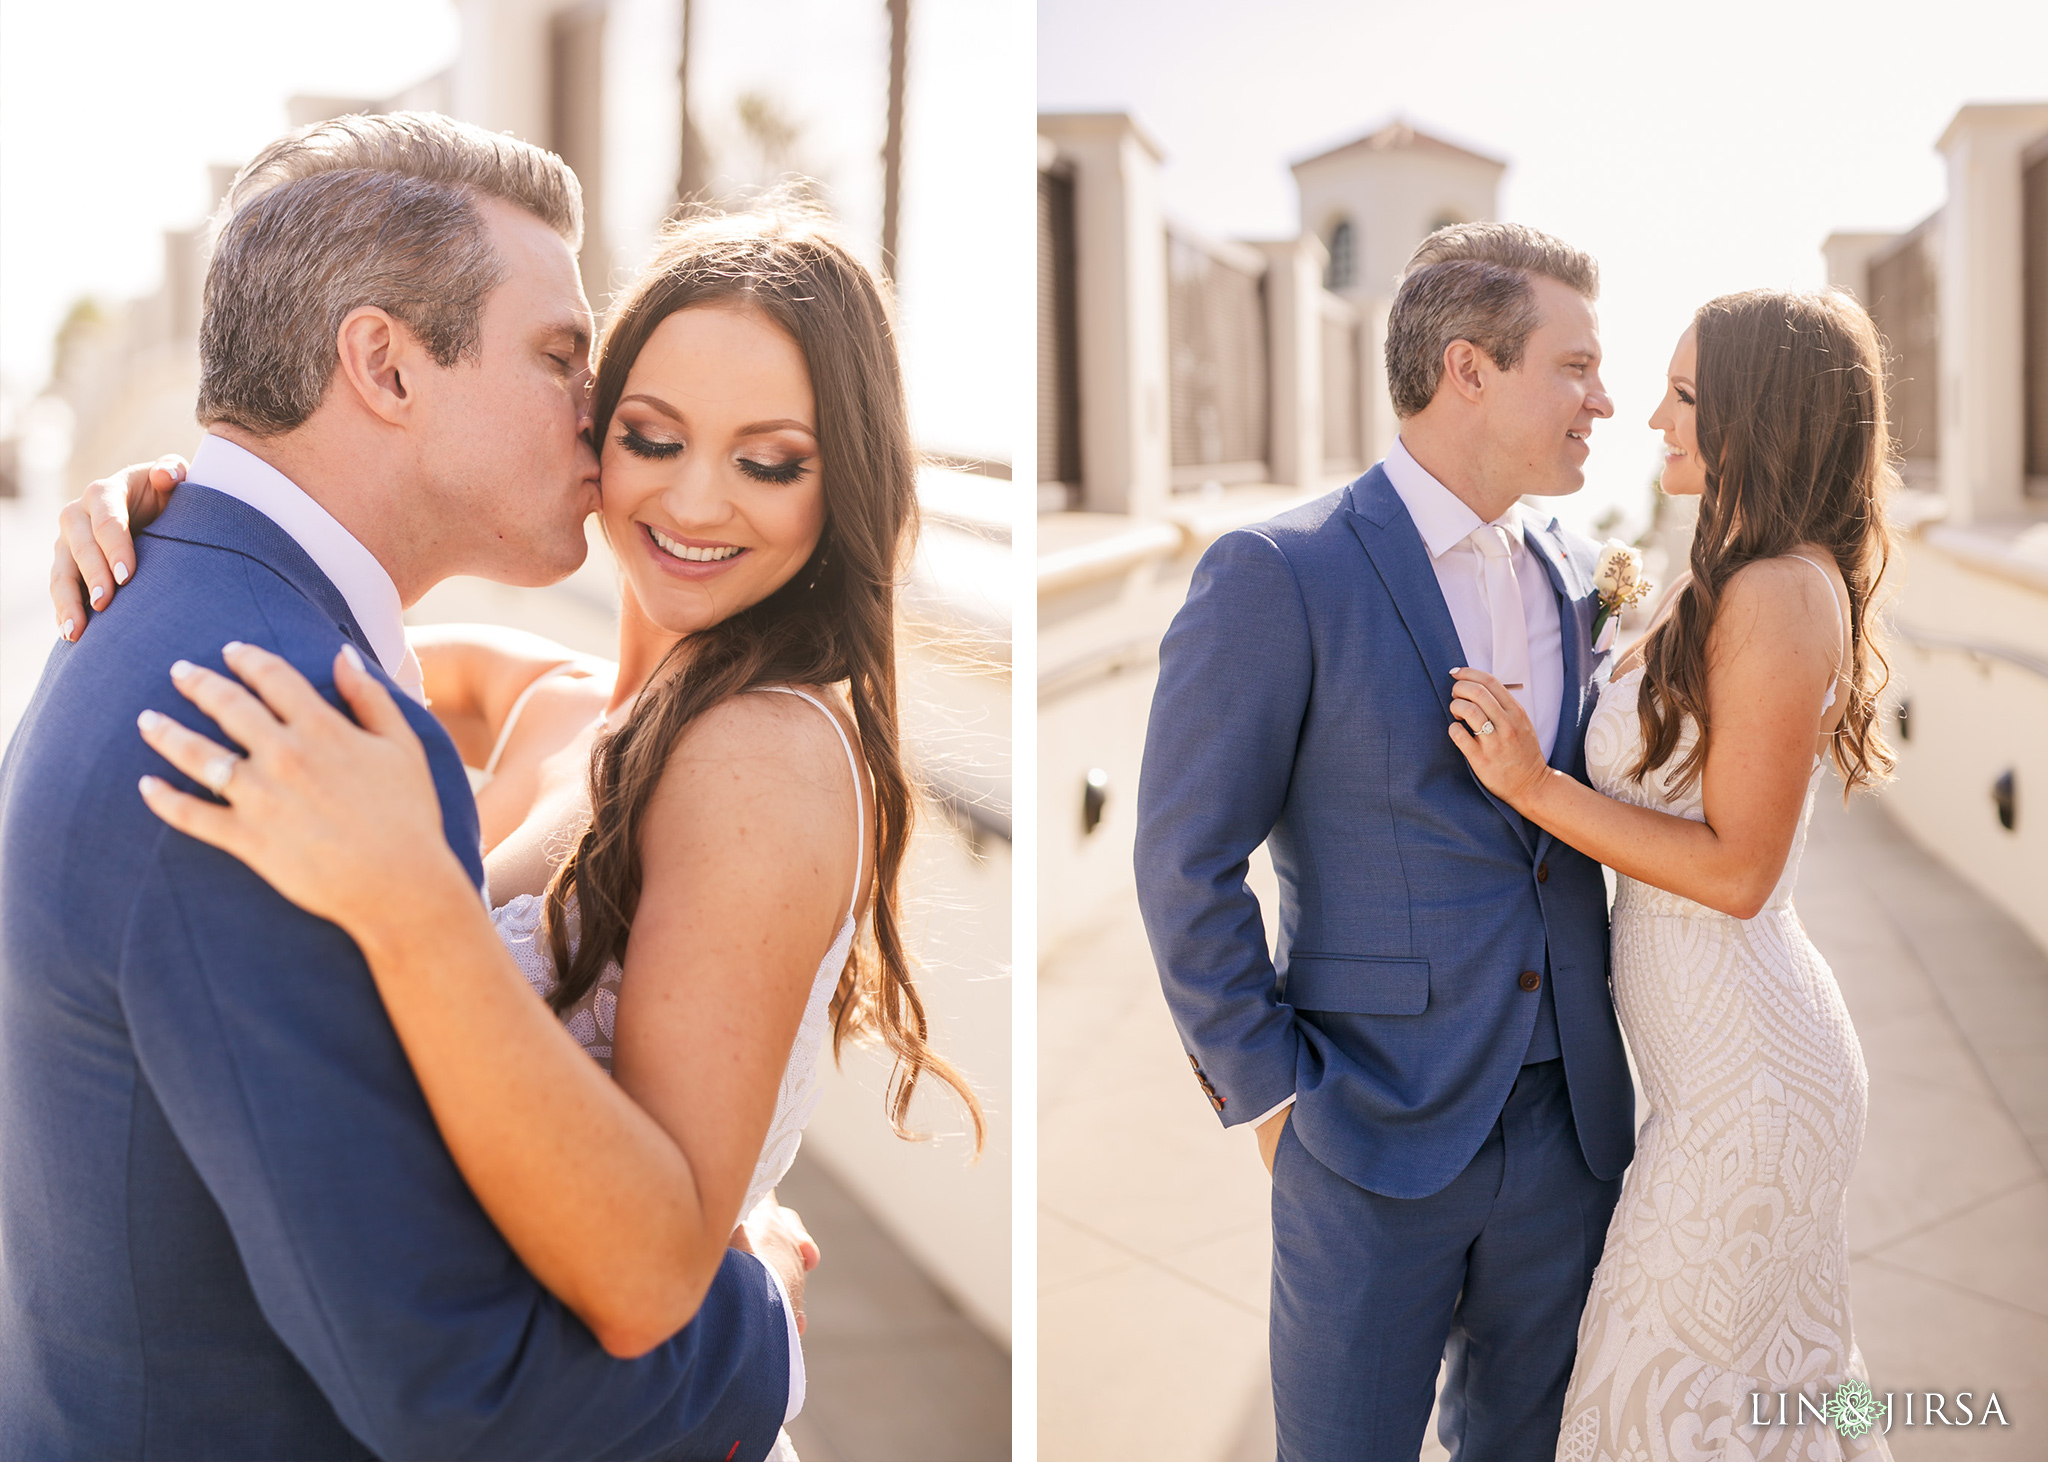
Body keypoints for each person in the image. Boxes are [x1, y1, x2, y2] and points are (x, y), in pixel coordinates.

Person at [10, 111, 973, 1462]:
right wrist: (182, 501)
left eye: (771, 460)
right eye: (624, 411)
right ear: (384, 367)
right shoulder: (499, 698)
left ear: (840, 485)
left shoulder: (754, 758)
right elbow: (394, 649)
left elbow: (626, 1279)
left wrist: (419, 903)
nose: (690, 494)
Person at [1136, 222, 1637, 1461]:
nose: (1603, 400)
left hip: (1568, 1132)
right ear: (1467, 369)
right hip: (1362, 1134)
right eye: (1572, 366)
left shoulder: (1576, 571)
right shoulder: (1277, 571)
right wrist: (1271, 1100)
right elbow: (1181, 862)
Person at [1449, 290, 1895, 1461]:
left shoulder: (1781, 592)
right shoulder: (1723, 578)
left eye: (1686, 395)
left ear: (1763, 416)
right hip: (1707, 1088)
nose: (1652, 415)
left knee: (1639, 1410)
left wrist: (1532, 788)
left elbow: (1740, 870)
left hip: (1749, 1094)